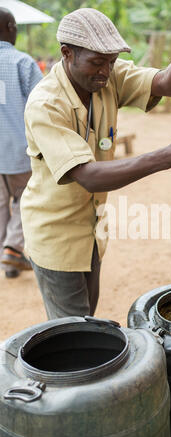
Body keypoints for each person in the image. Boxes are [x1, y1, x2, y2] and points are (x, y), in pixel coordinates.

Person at [21, 8, 171, 319]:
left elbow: (168, 84)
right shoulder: (46, 104)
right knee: (72, 333)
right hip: (56, 237)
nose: (105, 71)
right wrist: (167, 156)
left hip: (91, 231)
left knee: (85, 318)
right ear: (67, 54)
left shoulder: (108, 76)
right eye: (97, 62)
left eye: (110, 62)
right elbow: (88, 176)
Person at [0, 8, 43, 279]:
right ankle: (13, 249)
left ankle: (7, 258)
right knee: (27, 199)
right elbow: (43, 105)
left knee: (2, 204)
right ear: (10, 26)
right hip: (19, 149)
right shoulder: (22, 63)